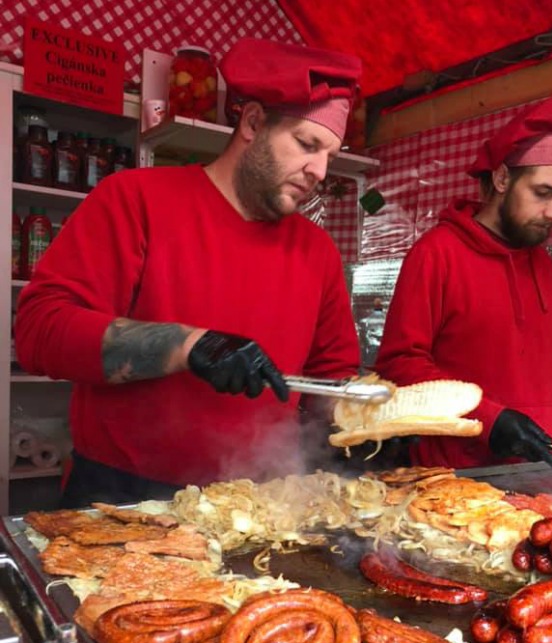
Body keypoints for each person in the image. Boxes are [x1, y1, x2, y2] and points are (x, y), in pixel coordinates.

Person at [14, 38, 363, 506]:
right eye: (307, 144)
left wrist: (364, 422)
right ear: (253, 122)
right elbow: (40, 331)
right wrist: (188, 346)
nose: (319, 170)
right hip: (123, 499)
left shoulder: (317, 250)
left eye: (330, 157)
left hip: (256, 503)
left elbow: (330, 376)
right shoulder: (134, 200)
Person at [375, 94, 552, 469]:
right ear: (503, 177)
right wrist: (489, 418)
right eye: (543, 193)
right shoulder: (438, 253)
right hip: (456, 478)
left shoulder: (545, 267)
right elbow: (399, 364)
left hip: (539, 470)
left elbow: (550, 384)